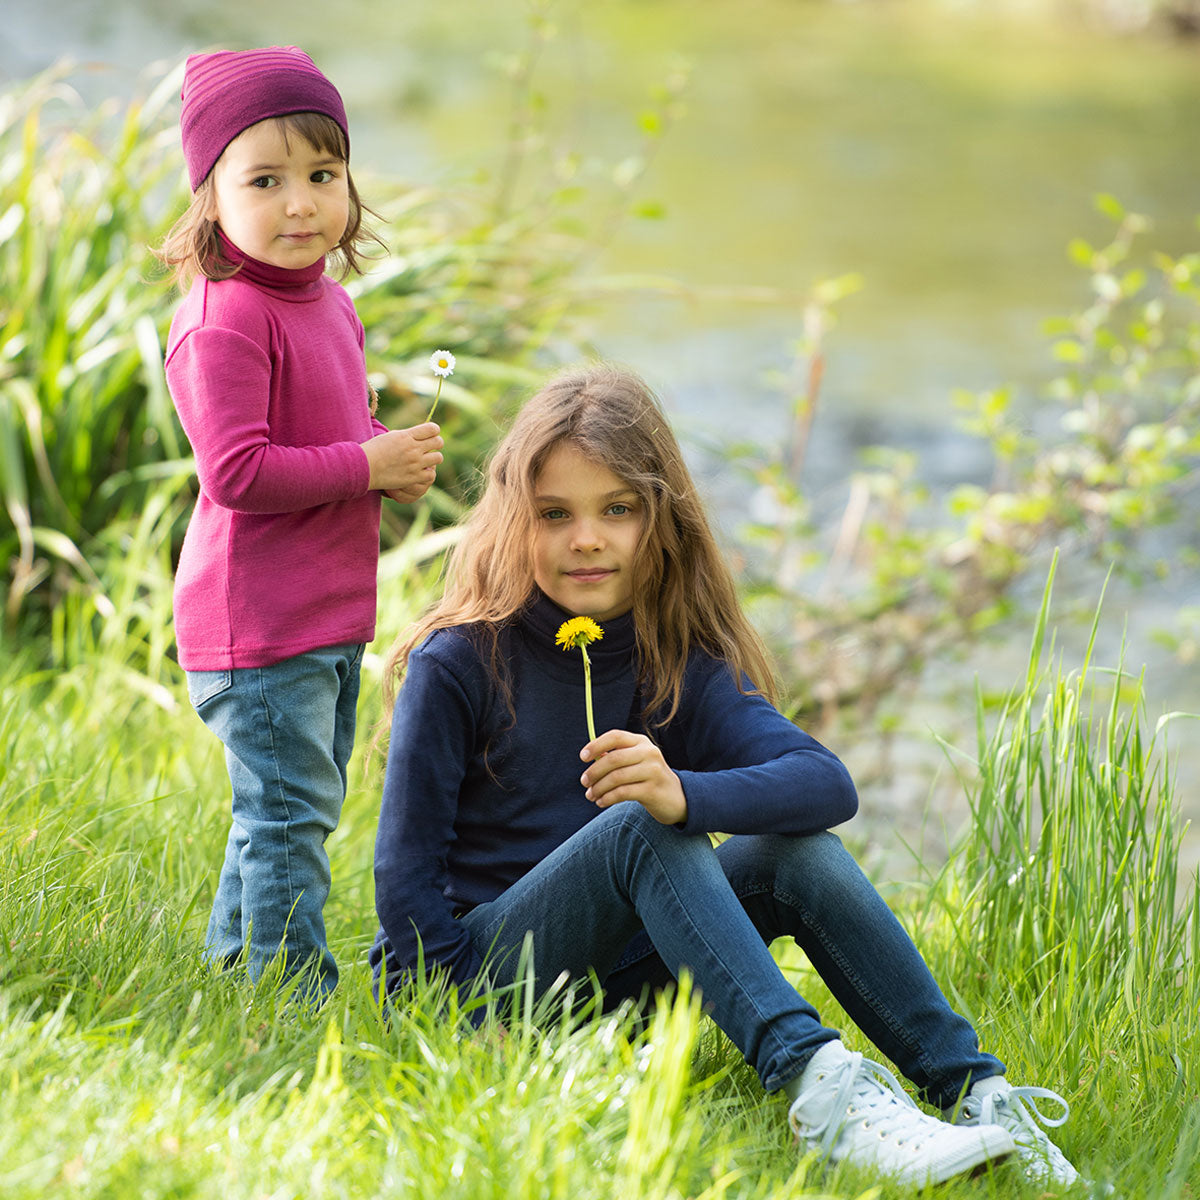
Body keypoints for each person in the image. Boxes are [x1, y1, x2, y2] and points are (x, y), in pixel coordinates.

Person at [370, 363, 1078, 1187]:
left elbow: (825, 785)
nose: (586, 538)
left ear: (661, 521)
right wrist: (454, 1015)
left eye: (617, 510)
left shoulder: (680, 663)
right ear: (512, 521)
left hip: (615, 992)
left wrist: (687, 791)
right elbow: (403, 878)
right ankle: (822, 1090)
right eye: (554, 514)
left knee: (791, 854)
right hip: (478, 982)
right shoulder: (461, 660)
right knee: (640, 827)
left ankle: (978, 1094)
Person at [158, 46, 444, 998]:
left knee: (285, 809)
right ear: (211, 195)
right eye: (265, 180)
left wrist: (380, 458)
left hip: (322, 612)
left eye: (323, 175)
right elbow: (237, 471)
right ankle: (290, 995)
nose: (299, 204)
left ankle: (236, 971)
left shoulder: (332, 306)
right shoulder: (225, 320)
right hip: (257, 622)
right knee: (291, 814)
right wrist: (366, 464)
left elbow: (329, 432)